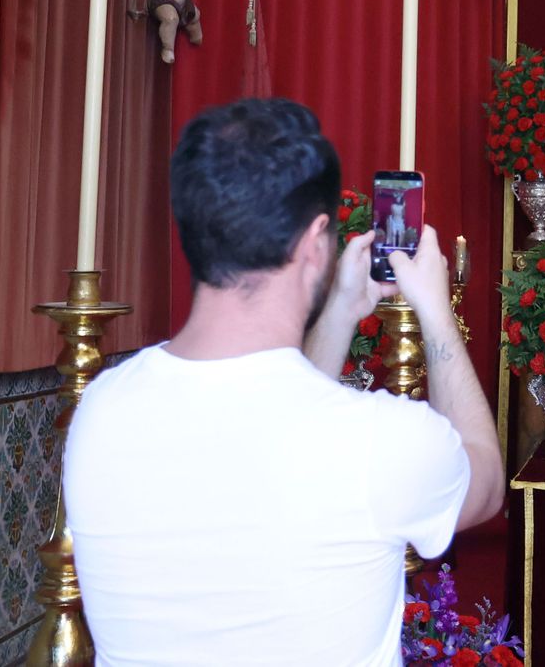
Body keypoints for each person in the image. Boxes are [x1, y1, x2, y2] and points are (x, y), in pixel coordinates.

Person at [63, 98, 503, 666]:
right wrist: (436, 313)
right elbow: (485, 483)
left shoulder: (101, 410)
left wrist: (342, 310)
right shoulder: (375, 441)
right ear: (316, 241)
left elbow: (274, 422)